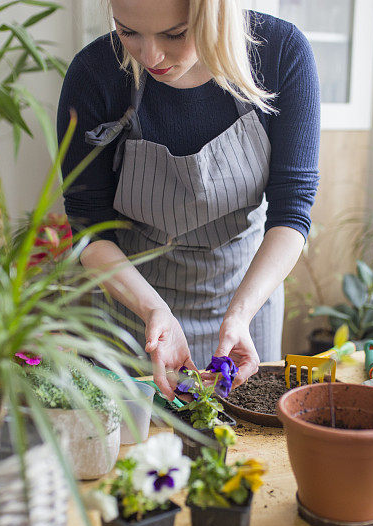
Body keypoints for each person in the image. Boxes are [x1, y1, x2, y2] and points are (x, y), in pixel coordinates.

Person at [57, 0, 320, 400]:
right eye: (128, 31)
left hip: (246, 293)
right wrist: (152, 311)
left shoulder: (280, 53)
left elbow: (292, 210)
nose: (150, 57)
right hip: (133, 304)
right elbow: (89, 229)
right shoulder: (95, 74)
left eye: (175, 34)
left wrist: (241, 313)